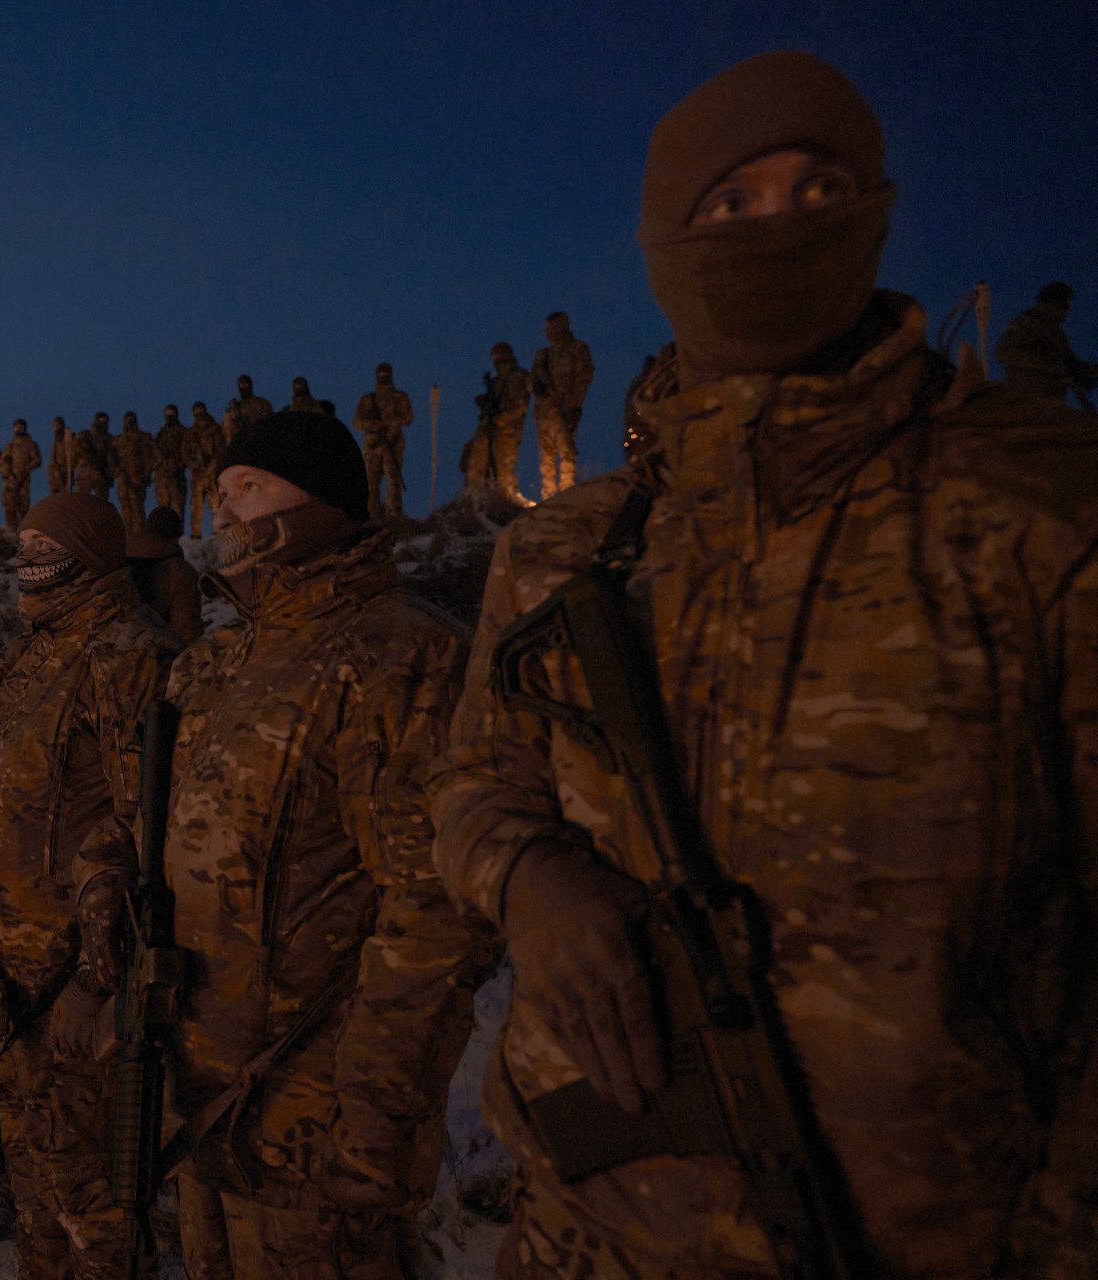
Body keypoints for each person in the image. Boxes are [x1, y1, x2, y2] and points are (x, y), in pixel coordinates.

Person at [431, 51, 1098, 1280]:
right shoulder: (574, 542)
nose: (776, 228)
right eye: (730, 205)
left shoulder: (1033, 506)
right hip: (595, 1226)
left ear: (877, 212)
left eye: (818, 188)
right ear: (665, 242)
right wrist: (532, 880)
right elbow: (476, 780)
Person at [88, 411, 501, 1280]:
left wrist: (377, 1113)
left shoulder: (401, 655)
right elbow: (146, 822)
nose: (226, 513)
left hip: (314, 1112)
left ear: (321, 503)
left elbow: (433, 915)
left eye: (250, 489)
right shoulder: (215, 661)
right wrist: (106, 882)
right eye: (221, 493)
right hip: (197, 1083)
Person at [0, 492, 179, 1279]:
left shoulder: (129, 653)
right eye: (23, 536)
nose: (27, 550)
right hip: (8, 969)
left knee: (93, 1193)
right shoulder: (32, 653)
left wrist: (95, 986)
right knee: (32, 1177)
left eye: (46, 540)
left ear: (90, 551)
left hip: (78, 981)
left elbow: (149, 833)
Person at [996, 282, 1096, 407]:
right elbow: (1003, 352)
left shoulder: (1058, 336)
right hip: (1025, 400)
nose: (1065, 313)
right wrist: (1051, 365)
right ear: (1050, 305)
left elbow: (1071, 365)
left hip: (1051, 403)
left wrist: (1085, 372)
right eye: (1063, 306)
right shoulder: (1027, 324)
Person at [530, 312, 595, 499]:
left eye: (550, 327)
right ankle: (548, 495)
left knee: (567, 452)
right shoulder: (542, 355)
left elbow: (584, 377)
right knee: (546, 456)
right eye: (546, 328)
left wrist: (573, 403)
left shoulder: (577, 349)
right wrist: (536, 387)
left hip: (565, 408)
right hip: (544, 410)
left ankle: (567, 493)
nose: (547, 332)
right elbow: (532, 379)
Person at [126, 506, 203, 644]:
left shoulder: (119, 558)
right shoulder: (179, 571)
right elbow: (187, 630)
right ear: (176, 537)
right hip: (152, 656)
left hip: (105, 653)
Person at [352, 362, 412, 519]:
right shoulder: (368, 400)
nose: (383, 378)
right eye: (380, 375)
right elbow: (357, 422)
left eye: (385, 375)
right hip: (372, 445)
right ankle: (372, 516)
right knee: (371, 483)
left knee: (393, 480)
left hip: (392, 443)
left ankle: (394, 515)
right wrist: (371, 424)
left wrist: (389, 423)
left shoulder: (400, 397)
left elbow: (408, 418)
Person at [483, 342, 530, 499]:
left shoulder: (518, 376)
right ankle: (497, 497)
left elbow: (520, 405)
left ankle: (508, 498)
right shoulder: (498, 380)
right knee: (490, 465)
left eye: (498, 357)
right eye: (494, 357)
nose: (496, 361)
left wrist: (500, 420)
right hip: (495, 429)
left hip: (509, 429)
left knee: (505, 467)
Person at [185, 402, 225, 537]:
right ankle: (196, 534)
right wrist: (192, 464)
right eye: (196, 411)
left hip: (212, 473)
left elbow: (220, 448)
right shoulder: (191, 433)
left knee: (216, 503)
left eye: (200, 410)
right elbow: (185, 451)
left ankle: (217, 531)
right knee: (196, 505)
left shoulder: (214, 429)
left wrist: (213, 463)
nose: (199, 414)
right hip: (198, 474)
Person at [112, 412, 155, 535]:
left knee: (137, 507)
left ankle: (139, 535)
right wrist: (117, 471)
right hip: (123, 480)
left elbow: (153, 456)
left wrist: (146, 473)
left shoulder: (143, 438)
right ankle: (128, 535)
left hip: (138, 479)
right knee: (125, 506)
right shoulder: (119, 440)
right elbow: (111, 458)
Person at [0, 418, 43, 531]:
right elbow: (3, 461)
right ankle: (11, 530)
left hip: (23, 480)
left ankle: (24, 531)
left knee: (23, 506)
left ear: (24, 428)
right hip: (10, 480)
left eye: (20, 426)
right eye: (15, 426)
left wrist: (26, 469)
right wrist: (7, 474)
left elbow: (37, 460)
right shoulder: (10, 445)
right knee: (9, 505)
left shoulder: (30, 444)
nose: (17, 428)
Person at [152, 405, 191, 524]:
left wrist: (179, 465)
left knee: (177, 508)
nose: (169, 416)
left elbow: (188, 452)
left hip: (176, 477)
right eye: (167, 413)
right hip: (162, 477)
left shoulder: (183, 432)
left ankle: (177, 536)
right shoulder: (161, 433)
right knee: (163, 509)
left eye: (171, 413)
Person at [69, 413, 116, 501]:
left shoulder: (109, 439)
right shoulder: (85, 435)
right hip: (88, 472)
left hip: (98, 474)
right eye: (102, 421)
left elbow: (111, 459)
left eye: (105, 421)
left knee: (98, 503)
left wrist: (110, 476)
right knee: (83, 501)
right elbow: (75, 453)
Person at [46, 416, 71, 497]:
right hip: (55, 476)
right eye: (55, 426)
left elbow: (71, 457)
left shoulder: (67, 440)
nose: (56, 428)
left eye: (58, 425)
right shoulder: (56, 443)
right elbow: (52, 460)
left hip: (65, 473)